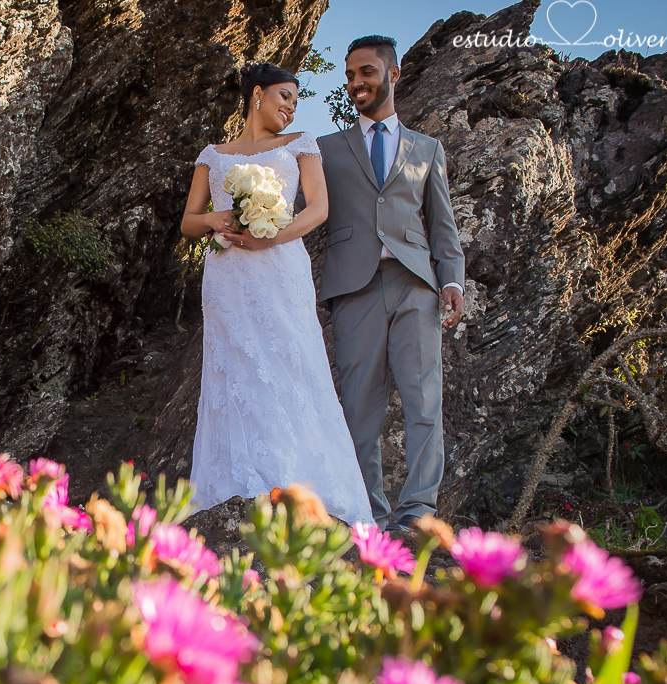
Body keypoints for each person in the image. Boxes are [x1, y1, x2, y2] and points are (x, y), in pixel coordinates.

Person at [180, 62, 373, 524]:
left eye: (295, 100)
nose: (290, 106)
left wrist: (273, 236)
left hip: (280, 268)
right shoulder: (214, 154)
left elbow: (319, 208)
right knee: (234, 369)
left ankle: (301, 483)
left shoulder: (300, 145)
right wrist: (213, 221)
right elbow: (189, 221)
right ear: (258, 94)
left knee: (292, 363)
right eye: (284, 96)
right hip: (228, 276)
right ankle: (236, 480)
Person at [318, 35, 465, 532]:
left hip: (416, 285)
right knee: (359, 406)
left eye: (366, 72)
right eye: (350, 74)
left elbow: (443, 228)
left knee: (425, 403)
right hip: (354, 288)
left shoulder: (428, 149)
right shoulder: (325, 150)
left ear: (393, 74)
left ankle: (419, 513)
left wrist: (453, 282)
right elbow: (304, 215)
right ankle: (370, 514)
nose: (357, 82)